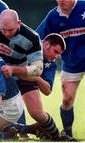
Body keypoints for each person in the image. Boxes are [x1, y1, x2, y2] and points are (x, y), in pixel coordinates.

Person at [0, 9, 68, 140]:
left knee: (36, 112)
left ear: (19, 23)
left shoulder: (32, 38)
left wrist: (13, 69)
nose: (6, 33)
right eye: (3, 30)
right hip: (1, 75)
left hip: (21, 74)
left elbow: (38, 70)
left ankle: (57, 137)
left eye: (10, 30)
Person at [36, 0, 85, 138]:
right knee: (68, 98)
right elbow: (37, 38)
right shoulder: (53, 16)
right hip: (71, 63)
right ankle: (67, 133)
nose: (61, 1)